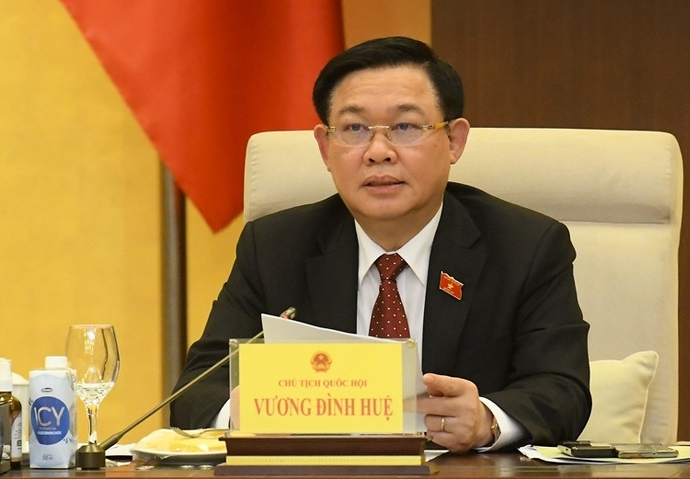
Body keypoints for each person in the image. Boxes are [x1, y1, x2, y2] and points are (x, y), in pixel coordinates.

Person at [170, 36, 590, 453]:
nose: (378, 152)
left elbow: (562, 389)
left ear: (454, 141)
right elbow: (194, 392)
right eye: (354, 129)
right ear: (324, 147)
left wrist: (486, 420)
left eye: (406, 127)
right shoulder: (276, 247)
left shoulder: (526, 246)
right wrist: (239, 412)